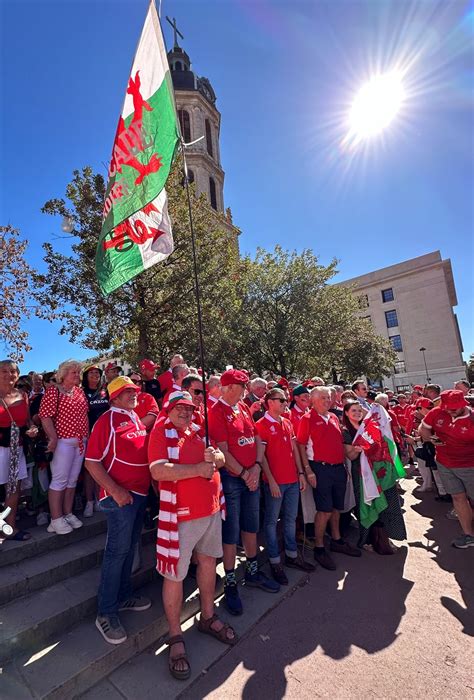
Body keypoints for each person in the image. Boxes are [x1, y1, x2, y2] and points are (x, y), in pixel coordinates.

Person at [149, 390, 235, 680]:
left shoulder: (200, 430)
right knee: (174, 574)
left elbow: (219, 460)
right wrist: (197, 468)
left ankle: (207, 616)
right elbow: (159, 471)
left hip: (210, 510)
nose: (186, 412)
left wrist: (218, 457)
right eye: (179, 408)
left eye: (189, 408)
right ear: (168, 409)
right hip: (181, 515)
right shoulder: (161, 432)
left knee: (209, 562)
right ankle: (175, 636)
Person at [85, 376, 152, 645]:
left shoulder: (134, 417)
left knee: (129, 547)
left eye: (134, 391)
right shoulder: (106, 421)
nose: (133, 395)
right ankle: (106, 612)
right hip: (120, 499)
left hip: (139, 495)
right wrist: (115, 490)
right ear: (114, 397)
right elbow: (92, 462)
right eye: (127, 392)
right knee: (117, 553)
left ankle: (124, 596)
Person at [208, 368, 279, 616]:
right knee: (232, 530)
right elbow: (223, 451)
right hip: (233, 478)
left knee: (251, 525)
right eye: (241, 386)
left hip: (251, 474)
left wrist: (257, 467)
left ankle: (252, 570)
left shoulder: (243, 409)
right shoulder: (216, 411)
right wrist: (245, 473)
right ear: (228, 388)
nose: (244, 391)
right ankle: (229, 581)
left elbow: (257, 439)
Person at [297, 386, 360, 570]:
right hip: (320, 468)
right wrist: (307, 470)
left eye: (329, 397)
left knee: (336, 508)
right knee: (324, 510)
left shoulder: (333, 417)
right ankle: (319, 548)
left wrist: (343, 465)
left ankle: (337, 540)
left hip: (337, 468)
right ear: (313, 400)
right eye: (323, 397)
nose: (327, 400)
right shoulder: (307, 419)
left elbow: (338, 443)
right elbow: (300, 445)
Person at [256, 388, 315, 585]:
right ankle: (274, 562)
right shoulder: (261, 425)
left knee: (290, 519)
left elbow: (294, 450)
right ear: (269, 402)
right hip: (275, 482)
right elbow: (261, 456)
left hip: (291, 479)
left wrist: (300, 473)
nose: (284, 403)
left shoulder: (287, 422)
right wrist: (270, 479)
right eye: (280, 400)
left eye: (285, 400)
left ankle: (291, 555)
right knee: (272, 522)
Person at [342, 401, 407, 554]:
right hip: (363, 475)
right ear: (345, 413)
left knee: (388, 504)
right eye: (353, 410)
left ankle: (386, 536)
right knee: (368, 505)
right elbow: (350, 456)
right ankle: (369, 540)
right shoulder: (346, 432)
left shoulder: (371, 427)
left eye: (359, 410)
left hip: (380, 472)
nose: (358, 413)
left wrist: (375, 408)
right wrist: (358, 450)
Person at [39, 360, 89, 535]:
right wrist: (52, 438)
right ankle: (56, 518)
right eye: (73, 372)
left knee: (72, 480)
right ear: (63, 374)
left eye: (78, 372)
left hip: (80, 441)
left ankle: (67, 513)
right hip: (63, 442)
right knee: (59, 480)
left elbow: (84, 416)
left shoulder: (79, 392)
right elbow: (45, 417)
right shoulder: (53, 391)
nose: (77, 375)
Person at [420, 390, 474, 549]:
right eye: (448, 407)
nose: (451, 410)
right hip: (445, 463)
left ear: (463, 404)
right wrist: (430, 438)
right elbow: (424, 428)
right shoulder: (437, 412)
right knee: (458, 498)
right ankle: (468, 535)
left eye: (455, 408)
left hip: (469, 465)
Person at [0, 359, 38, 540]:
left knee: (14, 490)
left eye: (13, 371)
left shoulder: (23, 395)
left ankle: (9, 528)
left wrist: (32, 428)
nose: (9, 374)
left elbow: (28, 420)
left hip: (16, 448)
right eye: (4, 371)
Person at [82, 365, 109, 517]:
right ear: (85, 376)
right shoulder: (82, 392)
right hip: (89, 436)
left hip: (105, 435)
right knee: (89, 470)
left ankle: (100, 499)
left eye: (97, 372)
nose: (95, 374)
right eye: (91, 372)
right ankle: (89, 501)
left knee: (104, 468)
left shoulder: (105, 391)